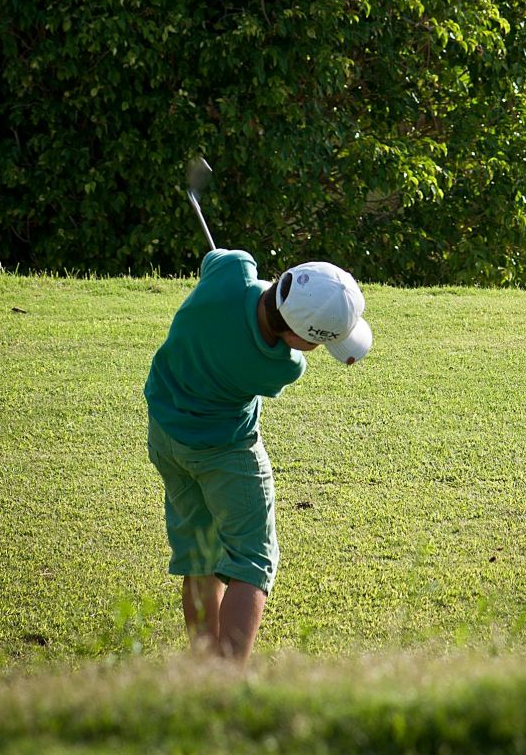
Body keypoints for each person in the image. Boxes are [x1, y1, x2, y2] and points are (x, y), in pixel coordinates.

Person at [144, 248, 372, 662]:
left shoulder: (232, 273)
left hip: (166, 435)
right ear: (299, 337)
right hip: (225, 452)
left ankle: (204, 666)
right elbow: (275, 346)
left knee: (200, 554)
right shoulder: (282, 368)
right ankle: (227, 678)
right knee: (250, 561)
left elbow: (218, 261)